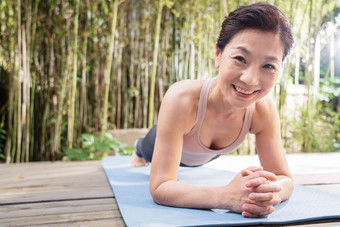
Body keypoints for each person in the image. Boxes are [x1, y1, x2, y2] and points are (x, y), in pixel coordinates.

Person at [132, 2, 294, 218]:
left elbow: (284, 178)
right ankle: (137, 149)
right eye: (240, 59)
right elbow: (161, 187)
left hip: (208, 156)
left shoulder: (263, 110)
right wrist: (225, 196)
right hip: (159, 145)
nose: (250, 79)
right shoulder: (182, 99)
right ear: (218, 54)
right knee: (146, 148)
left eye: (268, 66)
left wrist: (269, 192)